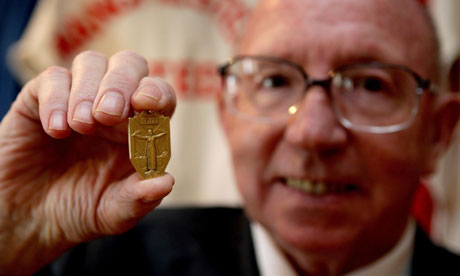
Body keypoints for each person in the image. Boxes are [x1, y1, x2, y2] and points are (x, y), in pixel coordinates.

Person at [0, 0, 459, 275]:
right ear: (226, 113)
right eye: (276, 81)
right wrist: (11, 234)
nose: (313, 133)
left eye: (370, 85)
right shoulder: (91, 264)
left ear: (438, 134)